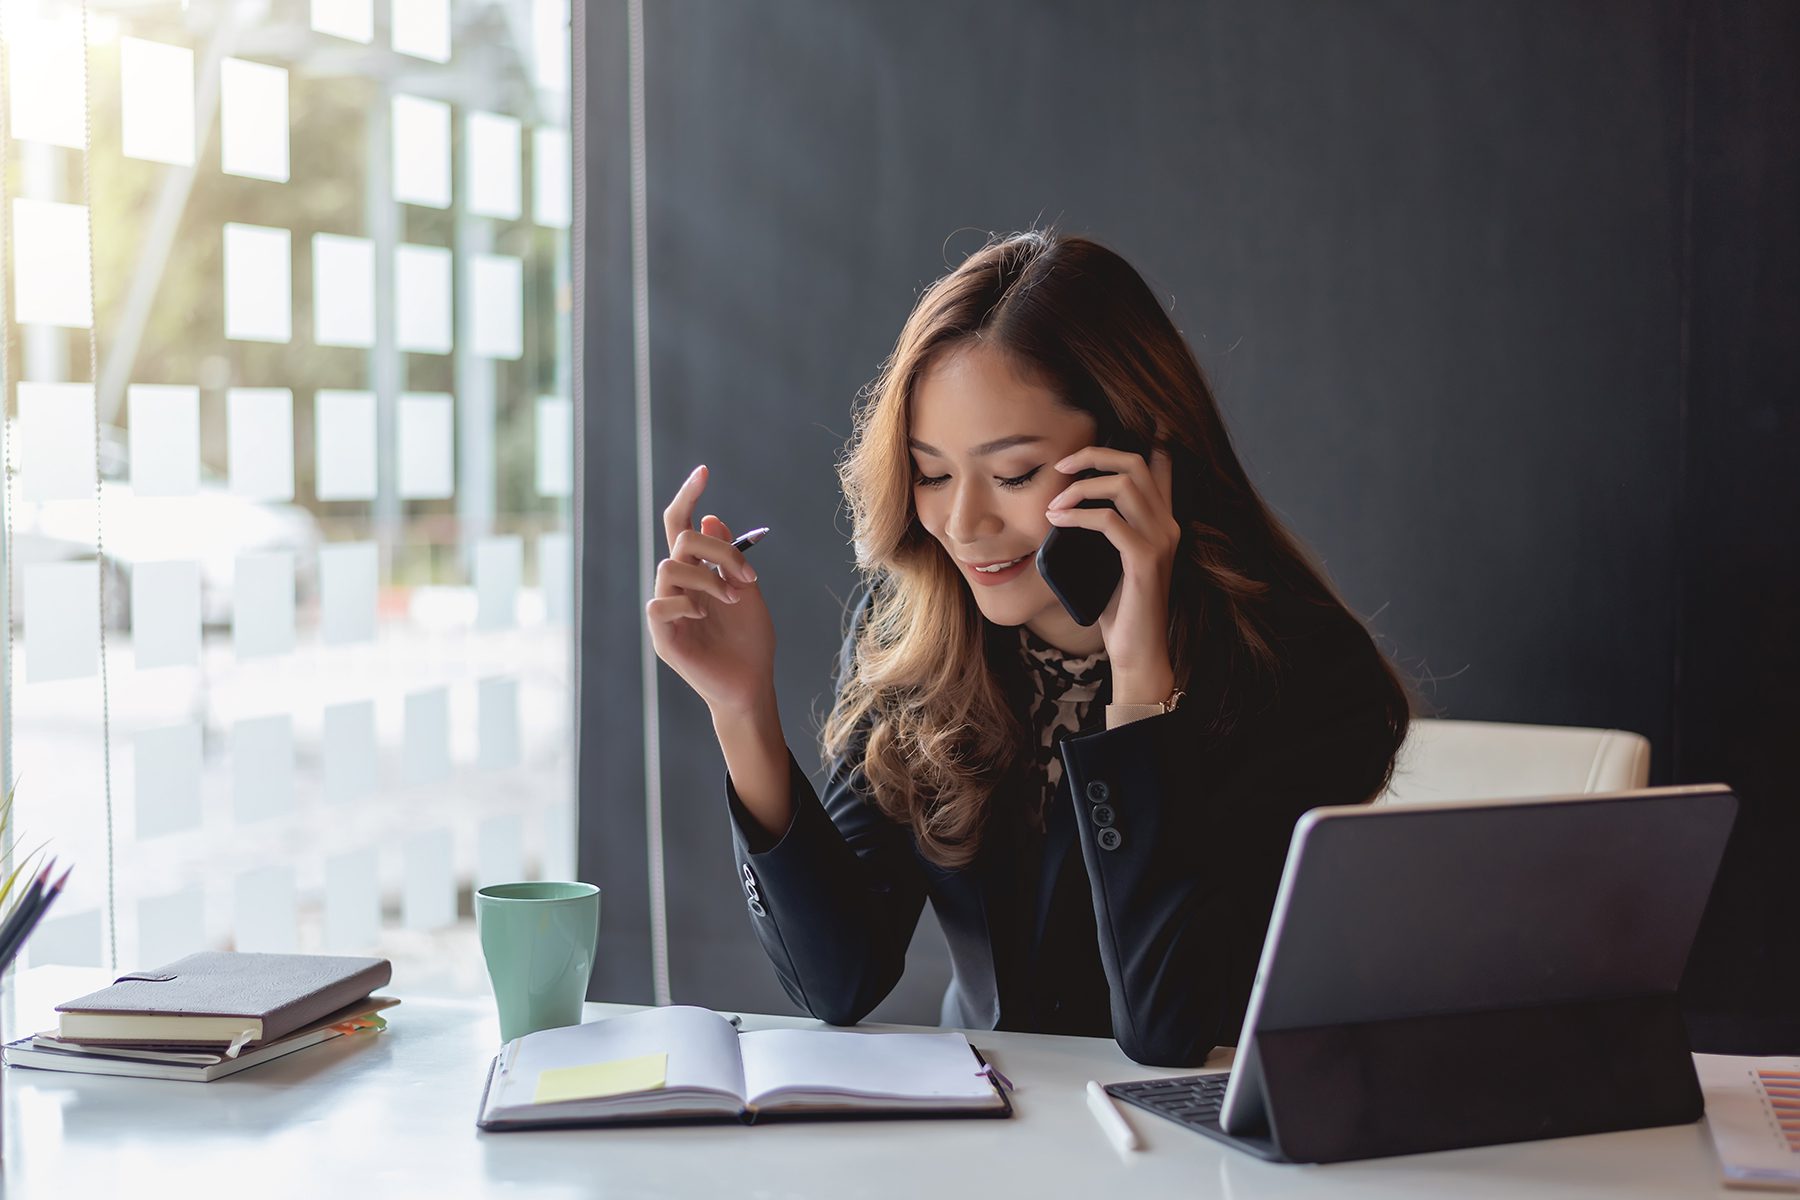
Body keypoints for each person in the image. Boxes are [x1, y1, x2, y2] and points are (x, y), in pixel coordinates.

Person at [646, 230, 1410, 1067]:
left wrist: (1140, 685)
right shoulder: (916, 629)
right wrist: (740, 706)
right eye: (932, 474)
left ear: (1137, 455)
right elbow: (842, 979)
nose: (964, 525)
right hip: (988, 1137)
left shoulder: (1302, 674)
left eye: (1013, 476)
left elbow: (1168, 1030)